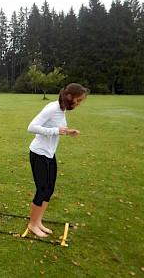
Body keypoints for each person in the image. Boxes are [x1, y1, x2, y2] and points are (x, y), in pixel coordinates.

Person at [26, 83, 89, 237]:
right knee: (41, 190)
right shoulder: (52, 108)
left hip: (49, 154)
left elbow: (58, 127)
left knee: (49, 189)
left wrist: (68, 131)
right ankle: (32, 225)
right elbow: (31, 127)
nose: (79, 104)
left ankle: (38, 222)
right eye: (78, 100)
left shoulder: (62, 110)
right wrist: (55, 131)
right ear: (69, 97)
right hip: (38, 153)